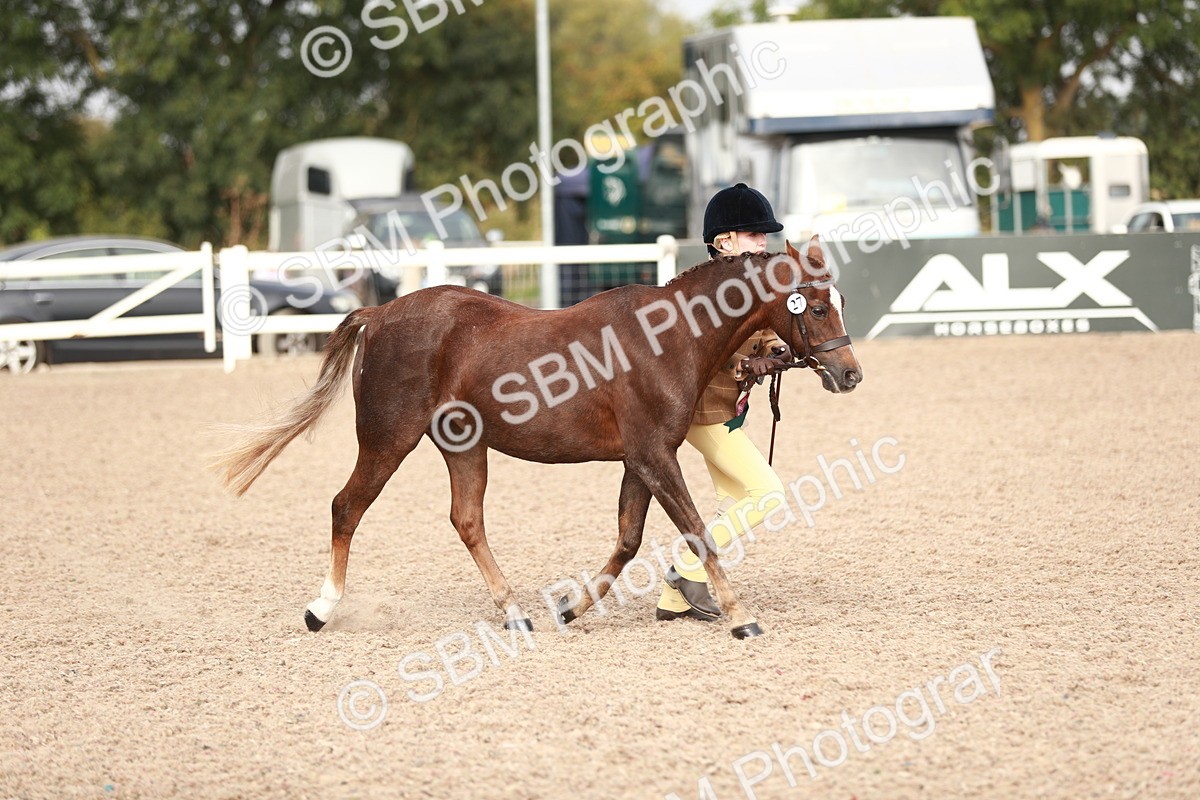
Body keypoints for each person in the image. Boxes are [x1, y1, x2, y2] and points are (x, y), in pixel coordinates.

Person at [656, 183, 793, 622]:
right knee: (768, 493)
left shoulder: (751, 287)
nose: (763, 242)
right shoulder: (708, 292)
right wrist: (748, 362)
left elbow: (765, 336)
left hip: (727, 412)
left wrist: (779, 352)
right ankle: (687, 568)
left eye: (764, 235)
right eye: (754, 235)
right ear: (724, 242)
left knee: (733, 498)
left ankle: (673, 600)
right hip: (702, 412)